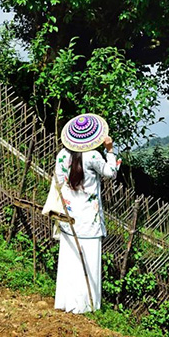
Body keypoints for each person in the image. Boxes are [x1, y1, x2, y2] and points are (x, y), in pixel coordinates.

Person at [53, 113, 119, 313]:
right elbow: (111, 173)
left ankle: (65, 302)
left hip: (68, 217)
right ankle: (87, 305)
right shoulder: (92, 155)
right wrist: (110, 151)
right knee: (89, 261)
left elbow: (58, 181)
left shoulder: (62, 155)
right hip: (89, 219)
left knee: (69, 260)